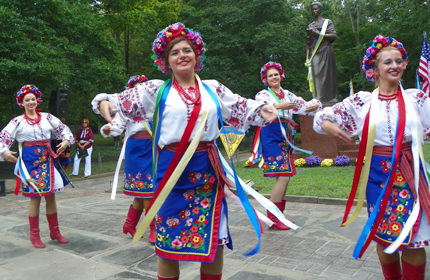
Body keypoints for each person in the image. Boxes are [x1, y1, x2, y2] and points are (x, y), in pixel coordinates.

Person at [92, 22, 277, 280]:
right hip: (171, 173)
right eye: (175, 52)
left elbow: (242, 106)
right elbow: (114, 100)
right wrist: (105, 106)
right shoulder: (156, 90)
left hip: (208, 173)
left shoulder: (212, 88)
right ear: (166, 61)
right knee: (168, 246)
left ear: (196, 55)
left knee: (214, 240)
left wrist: (261, 109)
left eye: (187, 50)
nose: (182, 55)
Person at [314, 35, 430, 279]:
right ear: (374, 69)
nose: (395, 66)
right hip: (378, 176)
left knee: (415, 239)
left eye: (398, 61)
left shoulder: (416, 99)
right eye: (388, 62)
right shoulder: (361, 103)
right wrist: (327, 124)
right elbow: (323, 117)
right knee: (385, 234)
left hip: (411, 174)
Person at [0, 84, 74, 248]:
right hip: (29, 163)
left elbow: (63, 129)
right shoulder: (17, 122)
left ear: (37, 100)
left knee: (50, 196)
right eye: (27, 100)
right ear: (21, 103)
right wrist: (4, 152)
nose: (30, 102)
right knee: (35, 198)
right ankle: (34, 235)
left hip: (47, 160)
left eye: (33, 99)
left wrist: (65, 141)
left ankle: (54, 231)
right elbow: (1, 138)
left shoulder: (47, 117)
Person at [254, 62, 321, 230]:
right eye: (270, 75)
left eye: (276, 74)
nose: (274, 77)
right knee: (283, 175)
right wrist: (277, 106)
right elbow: (259, 108)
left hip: (286, 134)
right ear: (266, 79)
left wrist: (315, 105)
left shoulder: (288, 94)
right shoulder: (263, 94)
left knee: (285, 176)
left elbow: (303, 106)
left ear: (281, 75)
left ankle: (280, 216)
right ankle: (275, 218)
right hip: (271, 133)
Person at [100, 75, 156, 243]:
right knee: (147, 190)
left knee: (142, 191)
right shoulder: (126, 109)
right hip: (137, 150)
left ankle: (129, 225)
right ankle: (153, 229)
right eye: (136, 89)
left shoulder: (155, 107)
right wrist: (108, 129)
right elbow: (116, 126)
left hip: (153, 149)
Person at [306, 1, 338, 103]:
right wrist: (307, 58)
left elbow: (334, 36)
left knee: (329, 75)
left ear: (320, 9)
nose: (314, 11)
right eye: (313, 9)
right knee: (316, 74)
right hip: (315, 53)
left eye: (316, 9)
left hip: (327, 50)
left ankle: (331, 99)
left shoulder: (327, 22)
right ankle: (318, 98)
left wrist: (320, 34)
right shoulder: (310, 25)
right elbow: (308, 44)